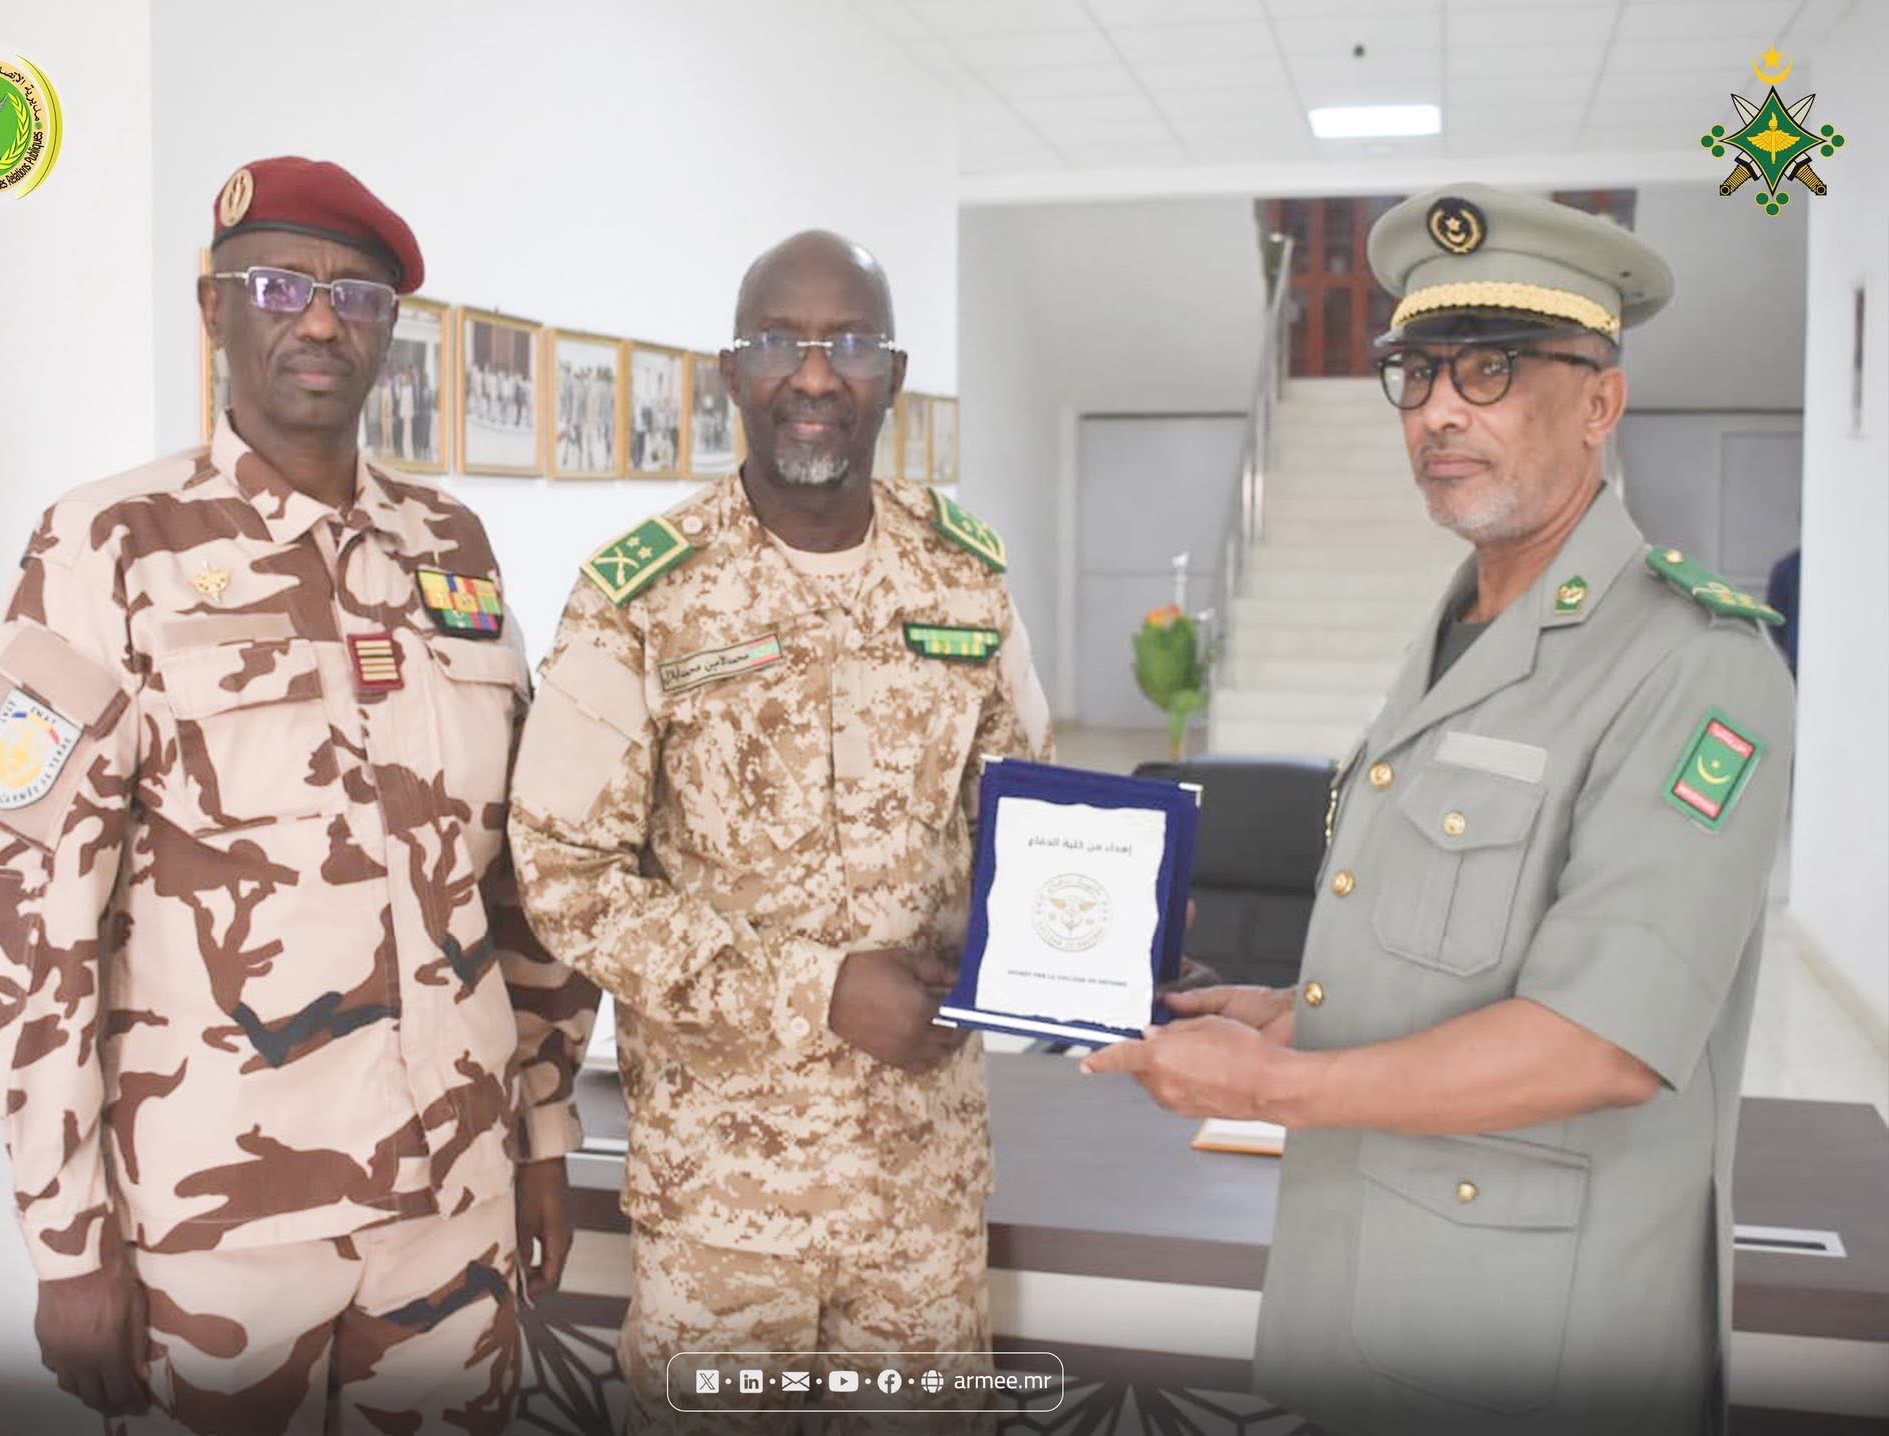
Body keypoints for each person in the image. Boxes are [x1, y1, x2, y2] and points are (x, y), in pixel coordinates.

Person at [1084, 184, 1795, 1436]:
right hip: (1373, 1295)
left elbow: (1599, 1043)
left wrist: (1273, 1084)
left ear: (1598, 402)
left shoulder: (1694, 663)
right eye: (1415, 372)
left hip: (1542, 1341)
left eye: (1490, 368)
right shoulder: (1463, 625)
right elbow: (1448, 942)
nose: (1438, 410)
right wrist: (1296, 1012)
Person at [0, 155, 595, 1435]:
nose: (318, 320)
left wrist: (539, 1130)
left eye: (355, 296)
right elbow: (28, 914)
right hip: (223, 1227)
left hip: (453, 1201)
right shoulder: (108, 545)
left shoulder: (451, 548)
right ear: (214, 311)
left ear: (387, 333)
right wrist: (66, 1236)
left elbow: (517, 875)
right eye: (278, 286)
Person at [508, 230, 1053, 1433]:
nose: (814, 375)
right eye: (779, 343)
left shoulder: (963, 579)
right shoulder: (642, 593)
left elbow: (1027, 818)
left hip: (920, 1196)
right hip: (723, 1214)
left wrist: (1077, 932)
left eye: (848, 343)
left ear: (891, 374)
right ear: (731, 371)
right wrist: (819, 990)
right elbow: (563, 875)